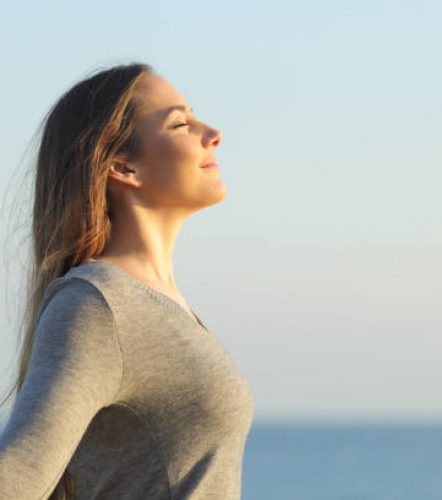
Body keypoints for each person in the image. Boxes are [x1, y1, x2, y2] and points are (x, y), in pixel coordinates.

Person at [0, 62, 255, 499]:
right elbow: (15, 477)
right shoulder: (98, 305)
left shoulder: (156, 302)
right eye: (180, 123)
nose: (212, 132)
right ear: (122, 167)